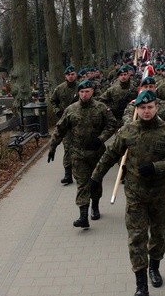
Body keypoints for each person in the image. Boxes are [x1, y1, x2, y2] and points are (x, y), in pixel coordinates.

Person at [90, 90, 165, 296]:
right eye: (142, 108)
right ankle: (141, 283)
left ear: (156, 108)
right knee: (136, 237)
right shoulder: (128, 130)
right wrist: (95, 178)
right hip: (135, 193)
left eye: (150, 107)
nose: (146, 111)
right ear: (137, 109)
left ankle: (155, 266)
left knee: (158, 234)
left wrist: (157, 167)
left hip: (160, 192)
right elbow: (110, 154)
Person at [47, 80, 117, 228]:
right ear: (78, 93)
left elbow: (112, 124)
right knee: (82, 183)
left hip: (97, 152)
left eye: (87, 91)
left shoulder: (101, 108)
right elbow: (60, 129)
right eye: (82, 92)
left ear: (92, 92)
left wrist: (101, 139)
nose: (84, 94)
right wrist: (52, 147)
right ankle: (83, 215)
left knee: (95, 181)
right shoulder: (71, 110)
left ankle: (95, 206)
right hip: (78, 153)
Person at [49, 65, 79, 185]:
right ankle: (68, 174)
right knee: (67, 148)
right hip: (65, 123)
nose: (70, 77)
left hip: (80, 123)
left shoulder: (81, 87)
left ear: (75, 75)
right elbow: (53, 101)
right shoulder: (59, 88)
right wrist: (57, 110)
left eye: (72, 74)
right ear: (65, 76)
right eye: (68, 75)